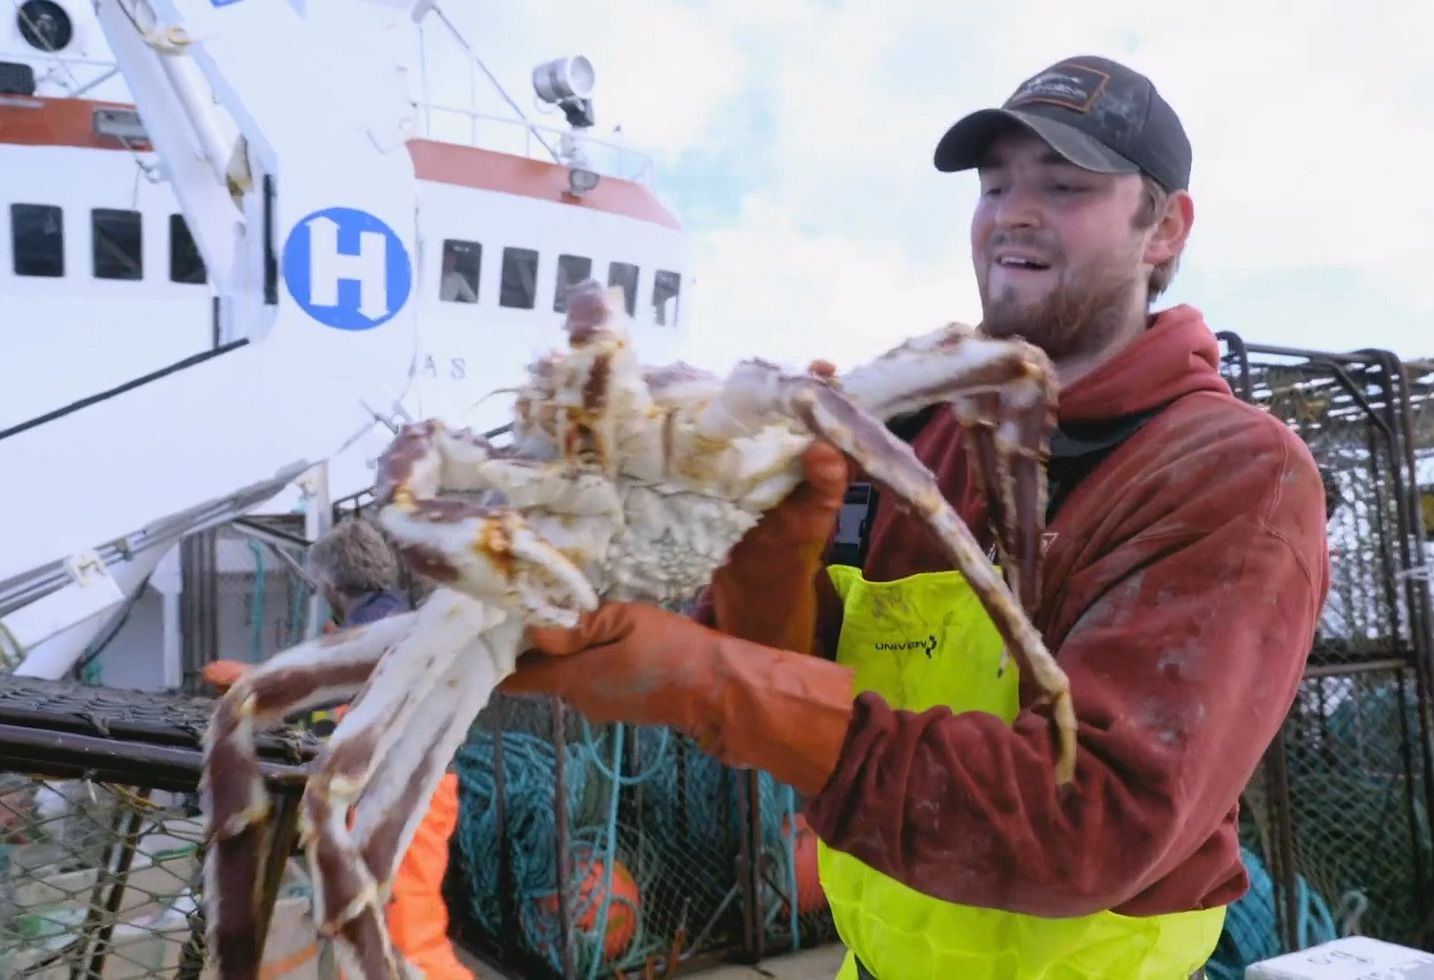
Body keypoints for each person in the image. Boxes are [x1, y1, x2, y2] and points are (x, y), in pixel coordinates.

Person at [501, 54, 1330, 979]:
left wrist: (711, 683)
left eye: (1064, 186)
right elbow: (796, 678)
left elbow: (1093, 821)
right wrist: (771, 549)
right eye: (995, 185)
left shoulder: (1229, 472)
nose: (1014, 210)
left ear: (1164, 229)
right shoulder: (910, 432)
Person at [202, 519, 473, 980]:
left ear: (328, 584)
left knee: (405, 937)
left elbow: (353, 689)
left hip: (399, 798)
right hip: (396, 793)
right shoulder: (387, 625)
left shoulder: (382, 632)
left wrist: (261, 684)